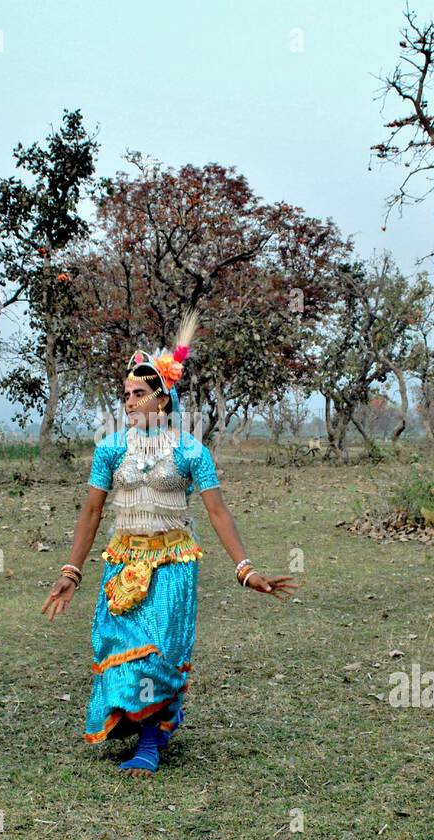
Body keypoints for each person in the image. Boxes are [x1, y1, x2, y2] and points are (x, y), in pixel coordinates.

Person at [41, 314, 298, 775]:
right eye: (124, 395)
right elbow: (92, 512)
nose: (129, 402)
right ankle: (145, 722)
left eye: (138, 394)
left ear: (162, 399)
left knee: (159, 652)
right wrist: (70, 572)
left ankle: (150, 743)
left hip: (174, 562)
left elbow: (218, 512)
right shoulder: (110, 450)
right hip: (122, 561)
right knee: (118, 646)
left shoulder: (190, 451)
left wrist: (246, 569)